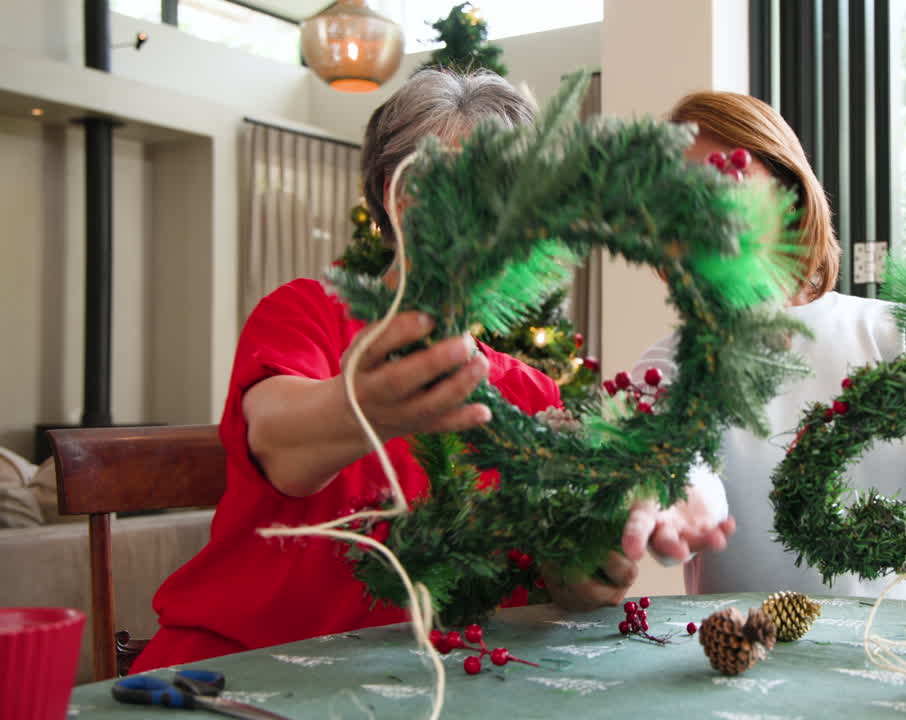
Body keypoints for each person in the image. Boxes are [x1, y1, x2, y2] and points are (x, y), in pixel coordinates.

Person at [132, 69, 731, 672]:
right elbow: (278, 445)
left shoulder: (531, 393)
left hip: (436, 688)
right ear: (397, 200)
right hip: (242, 673)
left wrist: (584, 571)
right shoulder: (307, 314)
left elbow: (550, 585)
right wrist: (362, 406)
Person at [632, 91, 906, 604]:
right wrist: (675, 500)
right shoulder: (666, 368)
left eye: (728, 179)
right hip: (746, 669)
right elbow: (680, 468)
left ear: (789, 192)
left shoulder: (895, 334)